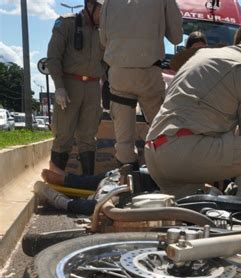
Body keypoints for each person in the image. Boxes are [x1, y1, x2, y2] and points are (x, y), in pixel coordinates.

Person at [145, 19, 241, 202]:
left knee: (192, 215)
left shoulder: (203, 54)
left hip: (153, 152)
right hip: (183, 154)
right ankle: (240, 214)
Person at [100, 0, 183, 168]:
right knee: (161, 132)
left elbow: (103, 39)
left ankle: (127, 182)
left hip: (119, 72)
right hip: (148, 72)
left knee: (124, 141)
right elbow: (176, 37)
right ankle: (163, 177)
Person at [47, 0, 105, 175]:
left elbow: (109, 61)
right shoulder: (66, 23)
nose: (105, 15)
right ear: (90, 6)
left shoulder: (105, 31)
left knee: (88, 137)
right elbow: (53, 56)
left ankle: (87, 183)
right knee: (63, 136)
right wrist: (59, 87)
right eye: (102, 10)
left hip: (94, 87)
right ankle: (55, 181)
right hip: (69, 85)